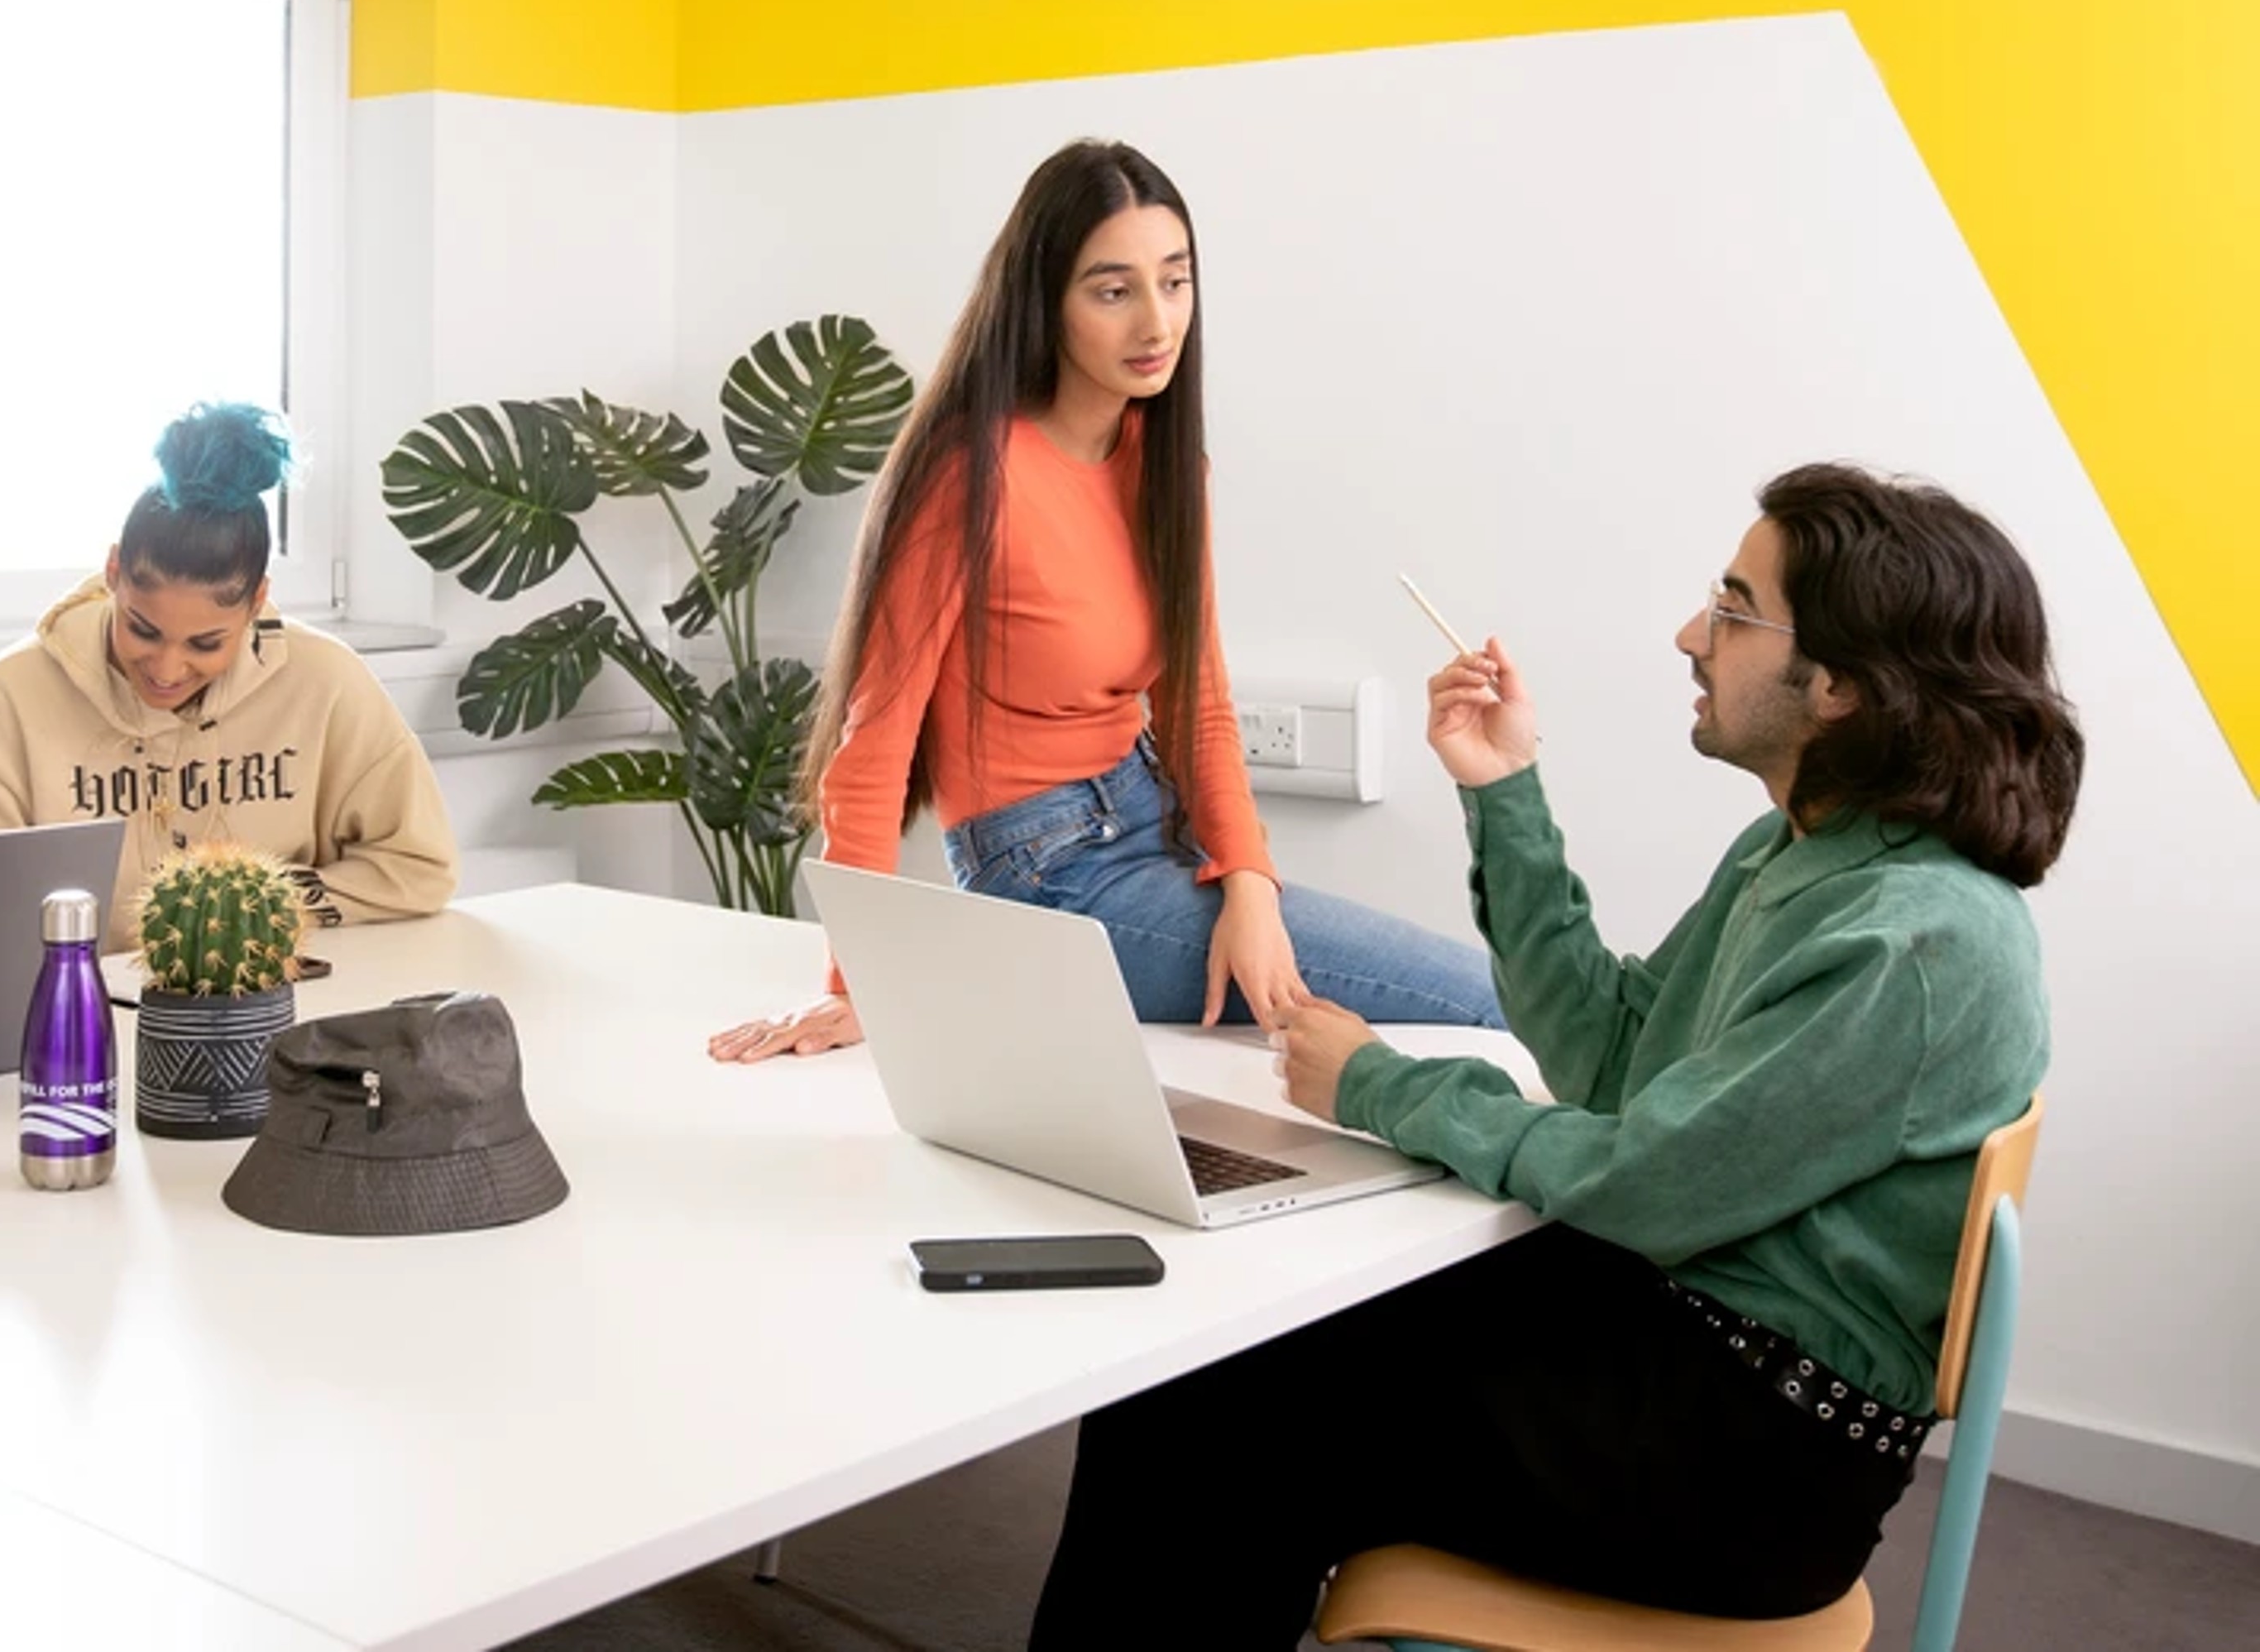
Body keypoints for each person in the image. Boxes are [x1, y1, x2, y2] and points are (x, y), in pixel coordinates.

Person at [1029, 463, 2073, 1647]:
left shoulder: (1915, 943)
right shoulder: (1805, 854)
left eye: (1734, 609)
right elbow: (1615, 1061)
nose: (1692, 635)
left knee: (1209, 1409)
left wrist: (1381, 1086)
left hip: (1748, 1462)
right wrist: (1504, 790)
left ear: (1837, 683)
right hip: (1680, 1342)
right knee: (1226, 1349)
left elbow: (1650, 1180)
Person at [711, 139, 1500, 1062]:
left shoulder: (1165, 464)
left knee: (1481, 1002)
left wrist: (1250, 883)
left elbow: (1198, 705)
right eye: (1113, 290)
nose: (1157, 322)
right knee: (1481, 1005)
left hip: (1151, 824)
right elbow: (873, 744)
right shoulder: (969, 476)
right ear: (1046, 300)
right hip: (1046, 874)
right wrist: (862, 984)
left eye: (1176, 281)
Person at [0, 402, 455, 951]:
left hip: (278, 1015)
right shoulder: (15, 693)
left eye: (206, 643)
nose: (166, 669)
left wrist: (250, 911)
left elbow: (418, 864)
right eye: (142, 629)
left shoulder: (328, 682)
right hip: (84, 1021)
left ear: (257, 602)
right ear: (113, 572)